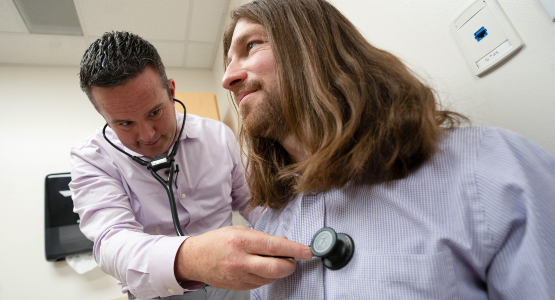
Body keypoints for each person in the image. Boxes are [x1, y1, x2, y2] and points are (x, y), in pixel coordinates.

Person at [221, 0, 555, 299]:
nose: (227, 78)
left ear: (313, 47)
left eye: (251, 45)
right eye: (227, 61)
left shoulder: (489, 167)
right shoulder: (268, 232)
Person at [70, 31, 312, 300]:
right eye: (124, 123)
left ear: (171, 91)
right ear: (103, 115)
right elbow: (111, 242)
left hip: (233, 283)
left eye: (155, 112)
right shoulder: (91, 157)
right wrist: (195, 258)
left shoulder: (218, 135)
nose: (147, 134)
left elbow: (254, 204)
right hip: (158, 291)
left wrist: (299, 233)